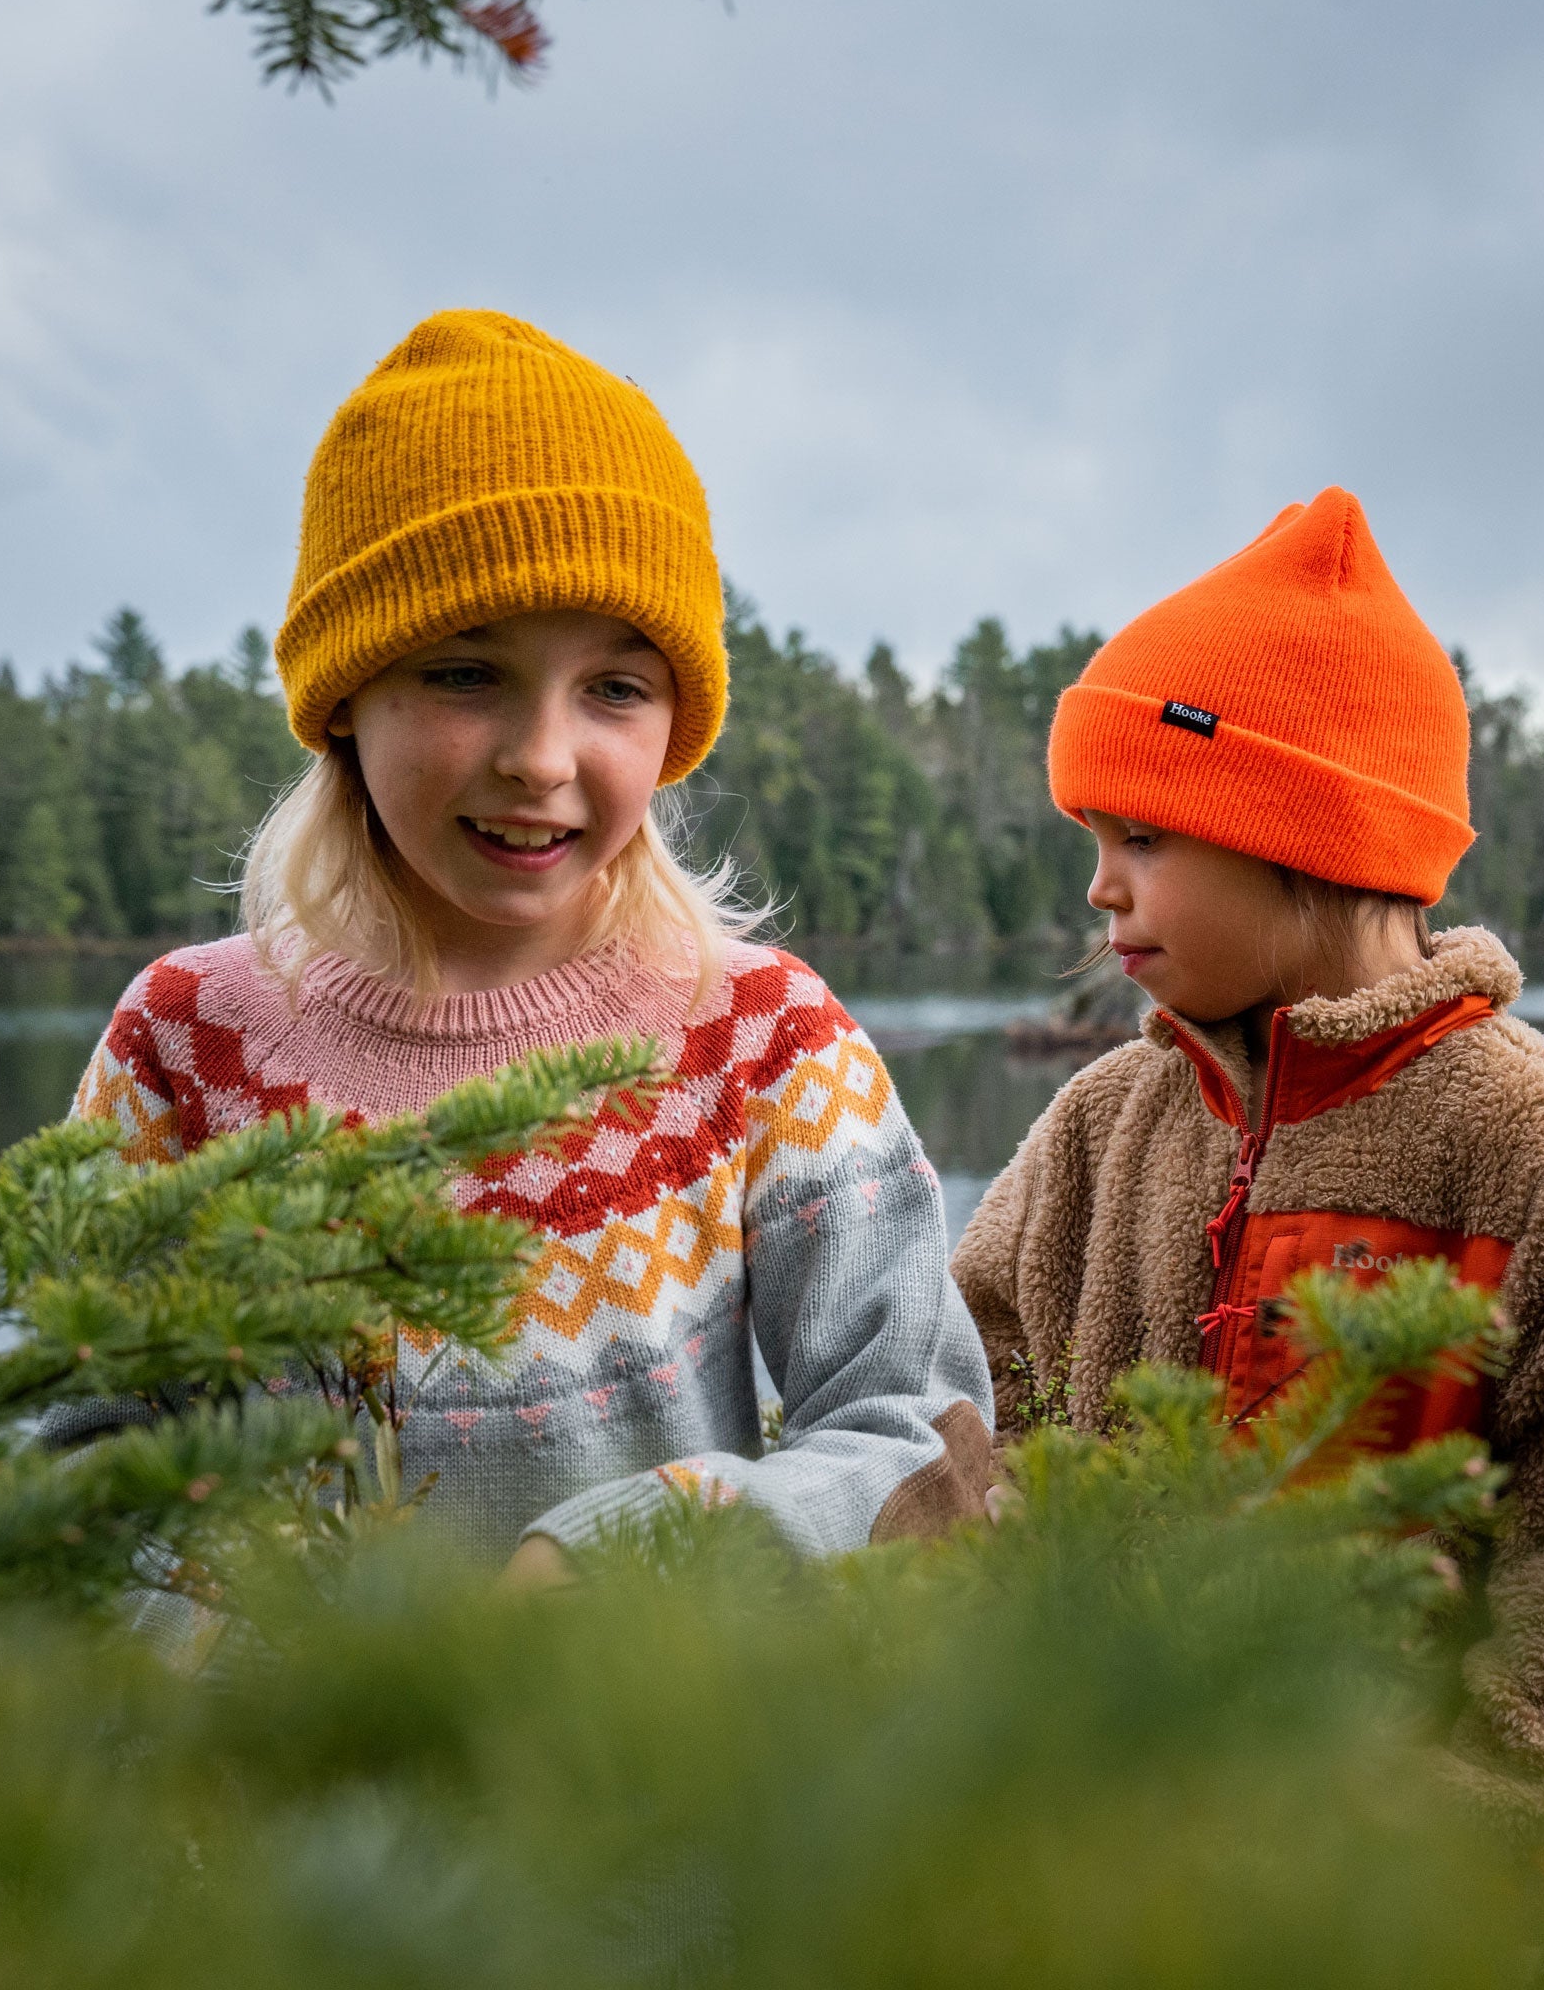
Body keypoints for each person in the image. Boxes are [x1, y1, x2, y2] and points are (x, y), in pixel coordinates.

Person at [72, 309, 992, 1586]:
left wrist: (639, 1552)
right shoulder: (184, 1046)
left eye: (613, 688)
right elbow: (79, 1472)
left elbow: (921, 1437)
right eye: (465, 673)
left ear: (674, 723)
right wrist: (251, 1661)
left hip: (651, 1772)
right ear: (343, 694)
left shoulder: (760, 1036)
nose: (542, 756)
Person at [950, 488, 1544, 1911]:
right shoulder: (1100, 1129)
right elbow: (967, 1400)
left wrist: (1484, 1840)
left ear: (1304, 835)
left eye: (1143, 837)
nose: (1095, 886)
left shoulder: (1543, 1154)